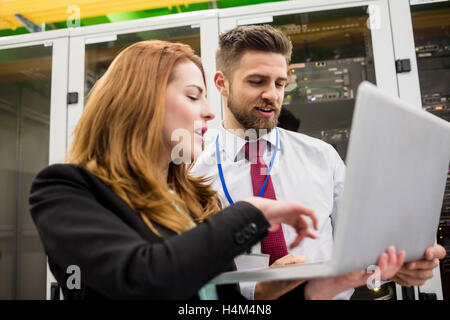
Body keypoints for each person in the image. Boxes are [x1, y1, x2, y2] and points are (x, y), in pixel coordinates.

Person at [29, 40, 320, 300]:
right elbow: (143, 280)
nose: (209, 111)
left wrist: (292, 295)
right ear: (140, 101)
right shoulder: (65, 189)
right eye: (193, 96)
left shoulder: (196, 200)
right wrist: (249, 212)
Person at [191, 25, 446, 300]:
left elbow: (361, 249)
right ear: (221, 83)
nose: (273, 95)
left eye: (279, 83)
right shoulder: (195, 175)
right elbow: (193, 279)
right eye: (257, 81)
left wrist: (396, 265)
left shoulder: (322, 157)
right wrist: (257, 290)